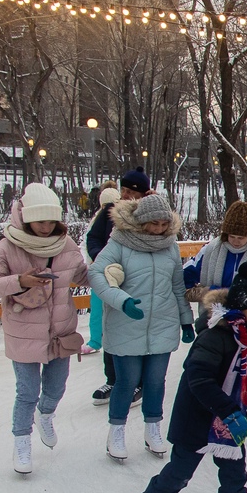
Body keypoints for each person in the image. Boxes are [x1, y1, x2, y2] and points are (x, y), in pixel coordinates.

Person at [132, 263, 247, 493]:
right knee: (181, 471)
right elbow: (198, 379)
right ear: (239, 308)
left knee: (234, 469)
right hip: (198, 415)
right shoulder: (215, 335)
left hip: (231, 417)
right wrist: (228, 410)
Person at [0, 183, 90, 475]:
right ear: (25, 218)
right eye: (41, 221)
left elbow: (82, 275)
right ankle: (21, 442)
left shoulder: (66, 245)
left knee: (56, 387)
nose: (46, 226)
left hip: (60, 332)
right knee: (27, 391)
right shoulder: (7, 247)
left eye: (52, 220)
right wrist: (19, 282)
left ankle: (45, 415)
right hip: (23, 333)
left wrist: (111, 273)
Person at [88, 192, 194, 461]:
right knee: (126, 383)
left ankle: (153, 430)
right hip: (127, 324)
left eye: (163, 224)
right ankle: (117, 433)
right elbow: (96, 274)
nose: (159, 229)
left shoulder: (170, 245)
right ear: (141, 221)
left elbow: (176, 286)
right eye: (154, 224)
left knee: (156, 382)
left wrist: (186, 320)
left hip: (163, 323)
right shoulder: (120, 243)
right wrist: (121, 301)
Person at [183, 201, 247, 443]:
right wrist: (199, 290)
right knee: (210, 366)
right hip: (215, 318)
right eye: (232, 236)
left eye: (242, 237)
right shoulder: (211, 249)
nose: (236, 241)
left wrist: (212, 290)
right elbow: (188, 274)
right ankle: (215, 411)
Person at [87, 168, 151, 403]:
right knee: (111, 327)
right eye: (122, 191)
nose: (124, 196)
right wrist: (101, 258)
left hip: (140, 281)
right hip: (112, 279)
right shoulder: (108, 212)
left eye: (130, 192)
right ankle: (112, 379)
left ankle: (139, 383)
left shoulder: (150, 214)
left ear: (142, 194)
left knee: (138, 330)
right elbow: (93, 239)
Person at [81, 182, 119, 355]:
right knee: (97, 307)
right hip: (98, 269)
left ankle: (115, 340)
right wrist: (91, 262)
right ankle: (95, 340)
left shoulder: (121, 219)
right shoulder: (96, 220)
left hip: (117, 271)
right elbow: (88, 242)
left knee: (117, 307)